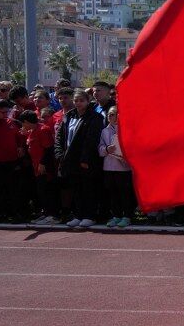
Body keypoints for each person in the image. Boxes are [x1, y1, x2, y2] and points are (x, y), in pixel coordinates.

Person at [55, 89, 103, 228]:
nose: (78, 103)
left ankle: (89, 215)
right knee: (75, 188)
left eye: (82, 100)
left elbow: (91, 140)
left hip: (85, 160)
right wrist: (59, 154)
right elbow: (59, 137)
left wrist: (85, 159)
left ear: (88, 102)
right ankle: (77, 215)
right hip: (68, 159)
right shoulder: (69, 116)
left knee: (88, 188)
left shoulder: (95, 118)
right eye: (76, 100)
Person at [20, 111, 60, 225]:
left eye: (23, 123)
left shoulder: (43, 130)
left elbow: (49, 149)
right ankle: (47, 213)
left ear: (26, 122)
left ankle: (53, 215)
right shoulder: (32, 131)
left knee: (48, 191)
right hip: (36, 167)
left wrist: (43, 163)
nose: (23, 126)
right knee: (41, 191)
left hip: (45, 168)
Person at [98, 106, 135, 227]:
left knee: (125, 193)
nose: (110, 116)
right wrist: (107, 149)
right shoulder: (104, 131)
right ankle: (116, 215)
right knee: (113, 193)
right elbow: (100, 149)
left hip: (123, 167)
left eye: (113, 114)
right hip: (109, 167)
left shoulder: (126, 130)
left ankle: (127, 216)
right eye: (109, 114)